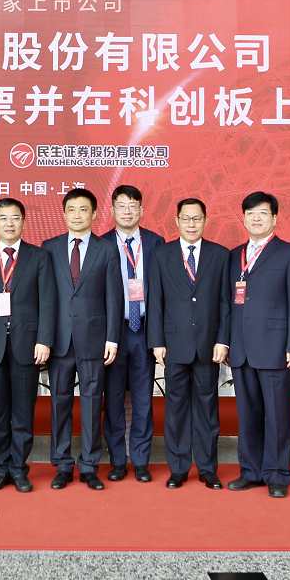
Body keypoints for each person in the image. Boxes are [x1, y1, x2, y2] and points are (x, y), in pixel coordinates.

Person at [0, 198, 57, 493]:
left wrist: (44, 340)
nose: (9, 223)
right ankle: (0, 468)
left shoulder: (38, 256)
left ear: (23, 222)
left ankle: (19, 469)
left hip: (28, 345)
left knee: (23, 412)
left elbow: (48, 301)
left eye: (15, 217)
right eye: (3, 218)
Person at [223, 192, 290, 498]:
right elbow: (227, 304)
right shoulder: (234, 256)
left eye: (262, 212)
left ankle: (277, 474)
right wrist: (226, 342)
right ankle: (251, 471)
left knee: (277, 416)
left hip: (276, 349)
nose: (256, 218)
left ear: (274, 218)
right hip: (241, 349)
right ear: (243, 218)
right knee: (247, 415)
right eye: (250, 213)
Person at [41, 188, 122, 491]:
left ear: (94, 214)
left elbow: (114, 297)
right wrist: (43, 338)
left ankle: (89, 466)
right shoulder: (49, 248)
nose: (77, 215)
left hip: (95, 339)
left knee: (91, 403)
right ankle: (62, 465)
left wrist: (112, 339)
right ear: (64, 214)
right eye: (72, 210)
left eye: (83, 209)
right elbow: (44, 297)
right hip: (59, 340)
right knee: (59, 403)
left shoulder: (107, 249)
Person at [148, 197, 230, 489]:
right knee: (176, 409)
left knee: (208, 409)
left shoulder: (221, 255)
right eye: (186, 218)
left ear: (205, 221)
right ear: (177, 221)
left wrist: (223, 340)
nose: (191, 224)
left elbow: (225, 302)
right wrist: (157, 341)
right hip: (173, 344)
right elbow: (155, 301)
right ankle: (179, 468)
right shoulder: (161, 255)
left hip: (209, 345)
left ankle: (208, 468)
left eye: (197, 218)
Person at [99, 184, 165, 483]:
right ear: (112, 210)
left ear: (141, 210)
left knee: (143, 399)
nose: (127, 211)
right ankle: (116, 460)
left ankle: (140, 459)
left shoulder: (155, 242)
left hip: (145, 331)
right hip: (113, 334)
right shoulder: (101, 244)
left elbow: (162, 291)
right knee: (112, 399)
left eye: (133, 205)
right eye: (121, 205)